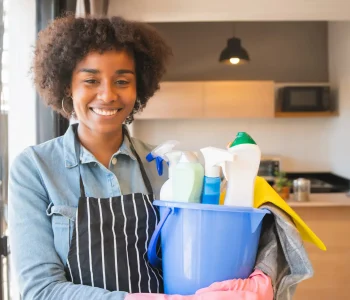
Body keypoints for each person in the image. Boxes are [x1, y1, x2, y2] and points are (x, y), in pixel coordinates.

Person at [8, 15, 273, 300]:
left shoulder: (169, 166)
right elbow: (40, 290)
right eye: (91, 80)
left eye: (122, 80)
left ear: (139, 88)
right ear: (67, 87)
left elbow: (206, 249)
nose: (108, 94)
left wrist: (261, 271)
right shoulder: (35, 169)